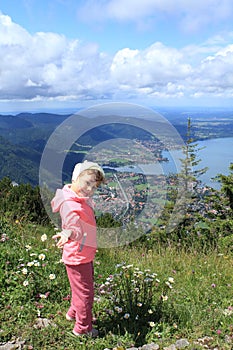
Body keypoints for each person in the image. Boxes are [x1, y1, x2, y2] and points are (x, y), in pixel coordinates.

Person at [51, 160, 105, 337]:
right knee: (86, 294)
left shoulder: (76, 197)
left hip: (81, 254)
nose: (90, 189)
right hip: (78, 256)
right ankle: (82, 329)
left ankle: (73, 313)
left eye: (94, 186)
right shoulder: (71, 205)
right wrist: (66, 234)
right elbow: (73, 225)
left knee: (79, 289)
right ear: (75, 179)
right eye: (87, 183)